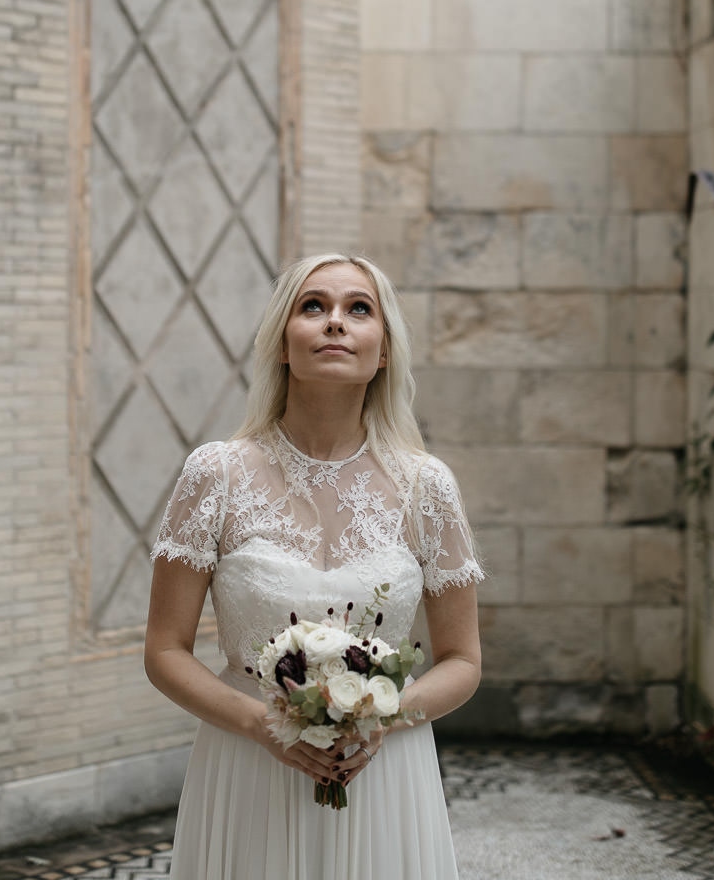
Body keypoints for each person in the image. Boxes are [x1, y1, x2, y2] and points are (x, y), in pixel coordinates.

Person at [144, 253, 484, 879]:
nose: (335, 322)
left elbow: (463, 661)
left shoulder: (425, 486)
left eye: (358, 309)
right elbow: (165, 650)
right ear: (282, 344)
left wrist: (386, 716)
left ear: (383, 351)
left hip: (384, 768)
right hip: (248, 765)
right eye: (313, 306)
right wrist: (261, 724)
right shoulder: (215, 475)